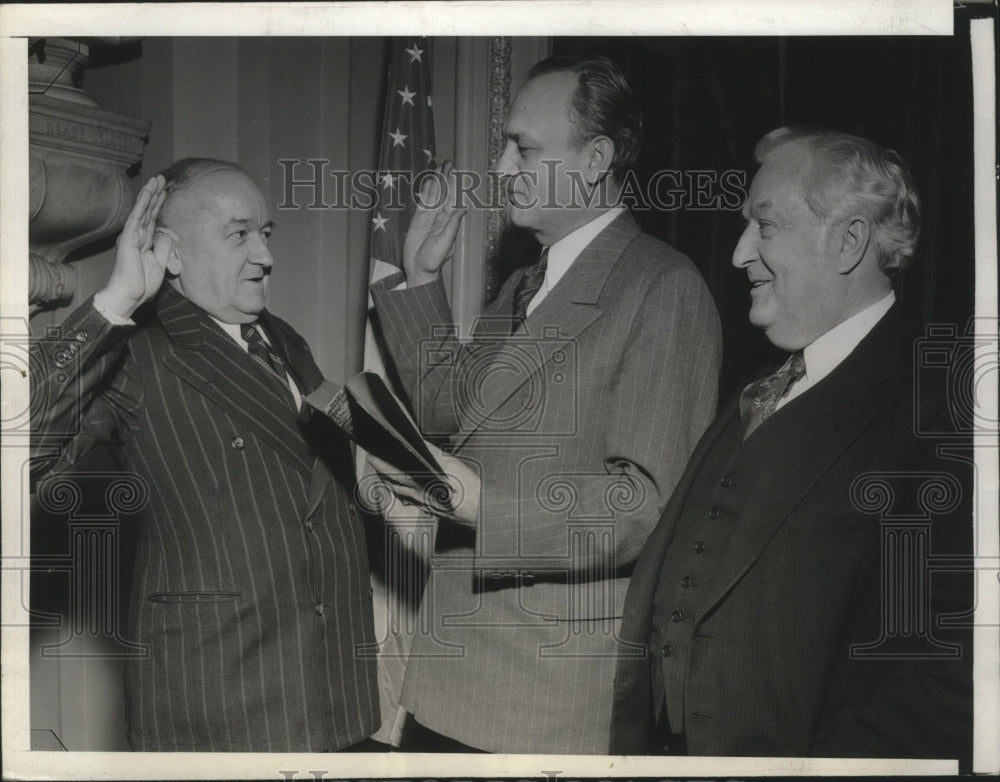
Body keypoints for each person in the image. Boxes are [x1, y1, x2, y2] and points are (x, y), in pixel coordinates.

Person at [367, 55, 723, 753]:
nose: (500, 169)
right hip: (450, 678)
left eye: (523, 148)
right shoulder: (526, 286)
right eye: (504, 144)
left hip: (542, 703)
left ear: (595, 159)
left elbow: (642, 505)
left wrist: (484, 509)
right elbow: (451, 417)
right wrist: (421, 279)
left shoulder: (663, 288)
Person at [609, 127, 973, 766]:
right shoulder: (759, 384)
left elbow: (934, 675)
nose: (739, 253)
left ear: (848, 240)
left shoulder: (940, 410)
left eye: (766, 226)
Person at [30, 159, 380, 752]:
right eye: (238, 233)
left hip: (329, 687)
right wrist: (114, 300)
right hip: (222, 699)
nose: (265, 256)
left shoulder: (283, 338)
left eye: (266, 233)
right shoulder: (136, 350)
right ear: (169, 254)